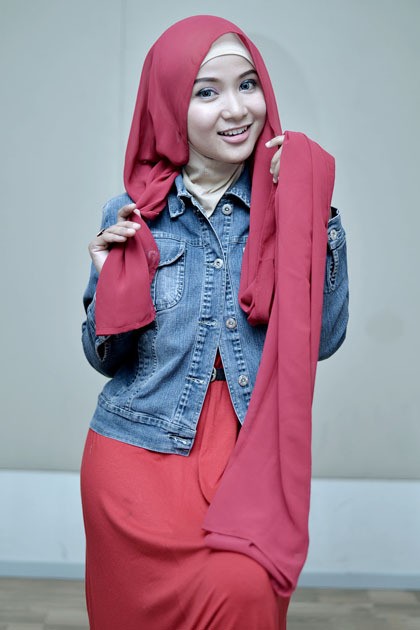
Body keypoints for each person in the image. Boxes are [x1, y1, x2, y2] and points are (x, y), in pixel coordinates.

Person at [80, 15, 349, 630]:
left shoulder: (290, 206)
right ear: (170, 105)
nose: (236, 108)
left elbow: (324, 340)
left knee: (247, 590)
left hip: (249, 453)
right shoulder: (134, 214)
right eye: (207, 91)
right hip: (135, 455)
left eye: (248, 84)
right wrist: (110, 284)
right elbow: (104, 357)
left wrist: (314, 218)